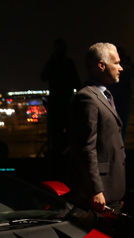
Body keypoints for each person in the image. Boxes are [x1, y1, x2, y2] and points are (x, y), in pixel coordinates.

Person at [66, 42, 125, 212]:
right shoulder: (87, 98)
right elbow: (86, 147)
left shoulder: (104, 95)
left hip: (111, 190)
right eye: (116, 63)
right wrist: (96, 190)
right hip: (100, 193)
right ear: (101, 66)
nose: (121, 68)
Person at [40, 38, 82, 164]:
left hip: (57, 103)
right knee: (68, 131)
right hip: (66, 102)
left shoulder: (54, 63)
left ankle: (58, 157)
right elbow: (77, 82)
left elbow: (43, 76)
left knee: (57, 132)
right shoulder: (68, 63)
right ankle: (66, 156)